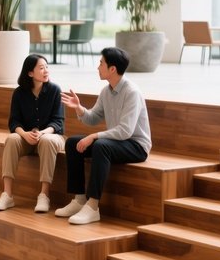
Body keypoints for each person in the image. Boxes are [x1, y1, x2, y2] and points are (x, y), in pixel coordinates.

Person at [58, 46, 151, 225]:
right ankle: (79, 200)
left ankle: (93, 207)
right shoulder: (106, 91)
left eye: (101, 63)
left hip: (136, 146)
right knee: (72, 143)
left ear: (112, 69)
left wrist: (94, 136)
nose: (98, 67)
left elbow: (125, 131)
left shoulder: (132, 92)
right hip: (116, 142)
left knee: (101, 145)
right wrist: (79, 108)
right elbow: (93, 118)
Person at [0, 54, 65, 214]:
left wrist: (42, 133)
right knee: (11, 139)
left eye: (47, 67)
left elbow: (58, 122)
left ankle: (44, 195)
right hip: (26, 137)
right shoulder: (19, 93)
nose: (46, 70)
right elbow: (14, 122)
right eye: (41, 67)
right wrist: (24, 134)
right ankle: (7, 195)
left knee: (47, 141)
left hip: (51, 136)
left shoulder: (54, 90)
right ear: (30, 73)